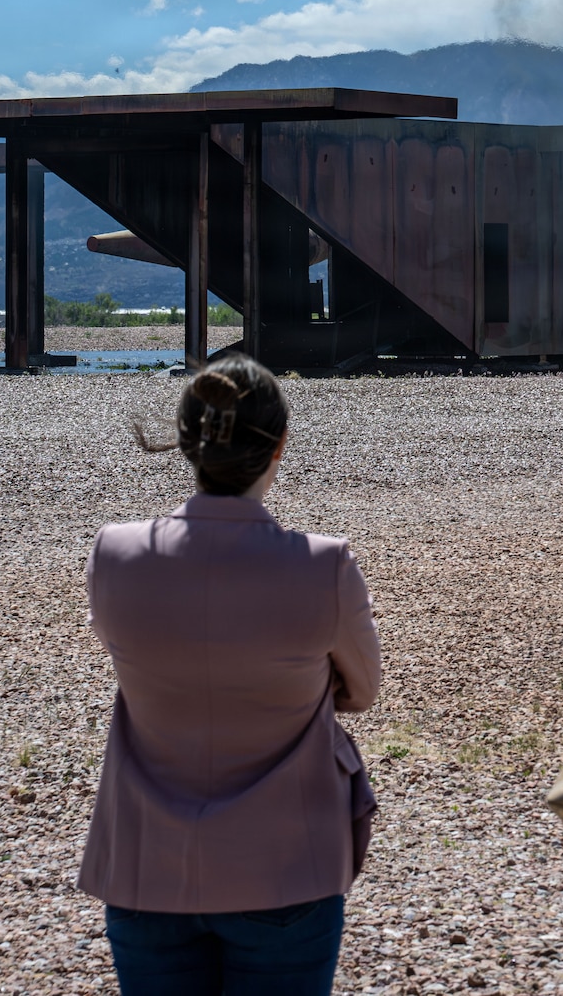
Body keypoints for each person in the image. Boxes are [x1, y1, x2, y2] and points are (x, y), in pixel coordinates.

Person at [78, 355, 382, 996]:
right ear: (278, 449)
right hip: (285, 864)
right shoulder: (322, 567)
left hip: (146, 864)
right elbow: (363, 691)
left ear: (187, 442)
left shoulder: (116, 553)